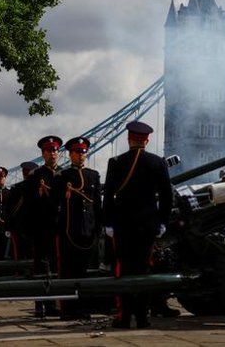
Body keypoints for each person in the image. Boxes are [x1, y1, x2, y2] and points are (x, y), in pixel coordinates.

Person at [103, 121, 173, 329]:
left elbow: (108, 196)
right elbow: (167, 196)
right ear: (147, 140)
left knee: (122, 269)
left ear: (128, 138)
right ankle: (142, 318)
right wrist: (162, 222)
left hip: (122, 226)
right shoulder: (157, 162)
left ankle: (123, 317)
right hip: (147, 226)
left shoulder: (116, 162)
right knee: (144, 270)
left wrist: (108, 222)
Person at [52, 136, 102, 320]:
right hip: (68, 231)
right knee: (67, 271)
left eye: (83, 152)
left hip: (87, 231)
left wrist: (98, 228)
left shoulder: (93, 175)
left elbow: (97, 205)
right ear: (70, 154)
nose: (80, 155)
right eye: (77, 152)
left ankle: (82, 306)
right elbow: (54, 204)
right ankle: (67, 308)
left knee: (84, 272)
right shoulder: (62, 177)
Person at [27, 135, 63, 318]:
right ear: (43, 154)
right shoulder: (36, 175)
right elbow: (28, 203)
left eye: (55, 150)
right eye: (49, 151)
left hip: (60, 227)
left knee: (57, 266)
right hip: (41, 227)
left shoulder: (65, 174)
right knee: (41, 267)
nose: (53, 154)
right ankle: (40, 303)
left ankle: (55, 303)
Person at [5, 161, 39, 261]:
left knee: (24, 254)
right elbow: (10, 208)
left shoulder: (18, 188)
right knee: (22, 254)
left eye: (27, 171)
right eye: (25, 171)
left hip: (27, 226)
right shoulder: (17, 188)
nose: (25, 173)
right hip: (21, 227)